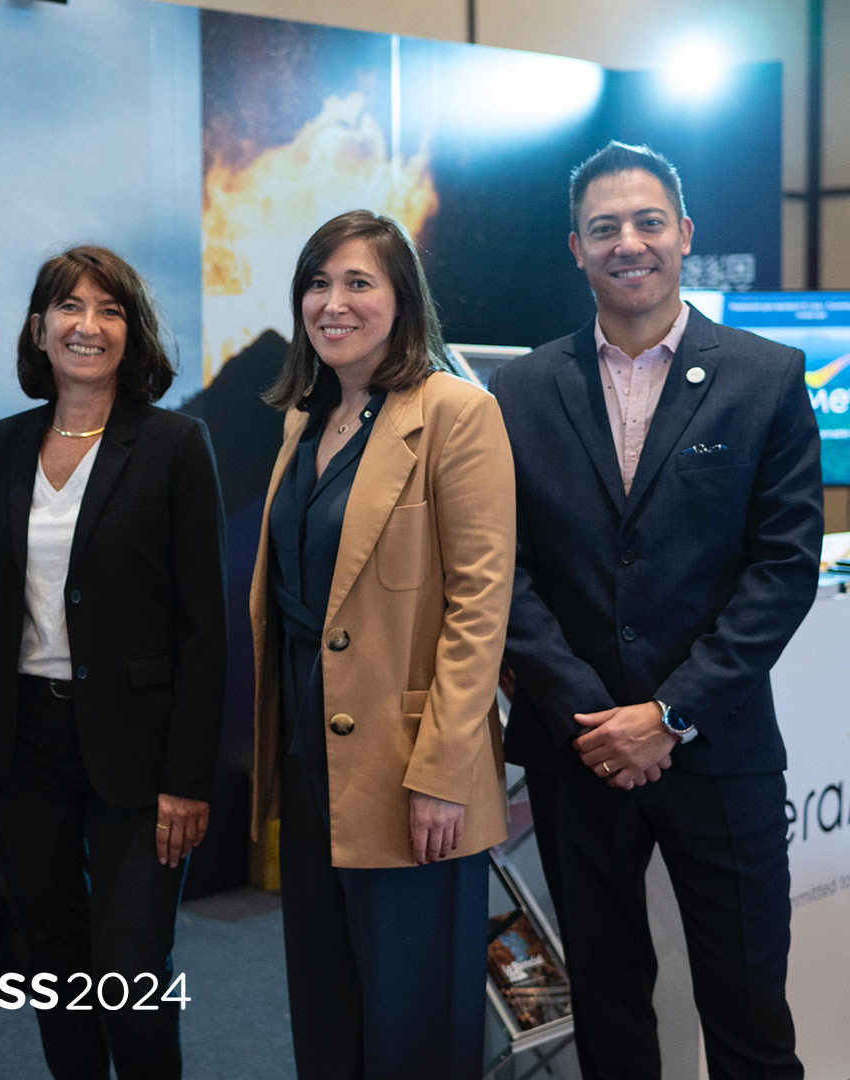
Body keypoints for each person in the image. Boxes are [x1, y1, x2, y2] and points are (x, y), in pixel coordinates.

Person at [493, 141, 823, 1080]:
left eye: (646, 223)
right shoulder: (518, 390)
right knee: (606, 1009)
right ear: (576, 247)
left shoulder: (765, 377)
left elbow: (782, 570)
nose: (627, 243)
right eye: (604, 229)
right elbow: (502, 568)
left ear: (684, 233)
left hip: (717, 748)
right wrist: (595, 717)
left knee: (750, 1010)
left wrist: (669, 715)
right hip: (578, 744)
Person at [0, 245, 225, 1080]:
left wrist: (190, 777)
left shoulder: (175, 444)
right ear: (39, 328)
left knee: (131, 969)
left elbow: (203, 625)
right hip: (23, 738)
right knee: (55, 966)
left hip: (141, 747)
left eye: (108, 310)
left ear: (131, 334)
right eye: (68, 307)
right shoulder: (3, 443)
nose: (87, 325)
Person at [251, 210, 513, 1079]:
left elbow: (481, 606)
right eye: (317, 283)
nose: (334, 302)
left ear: (403, 300)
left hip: (413, 772)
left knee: (414, 1025)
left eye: (358, 282)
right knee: (328, 1007)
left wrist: (442, 770)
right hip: (311, 756)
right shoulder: (305, 420)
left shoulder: (456, 412)